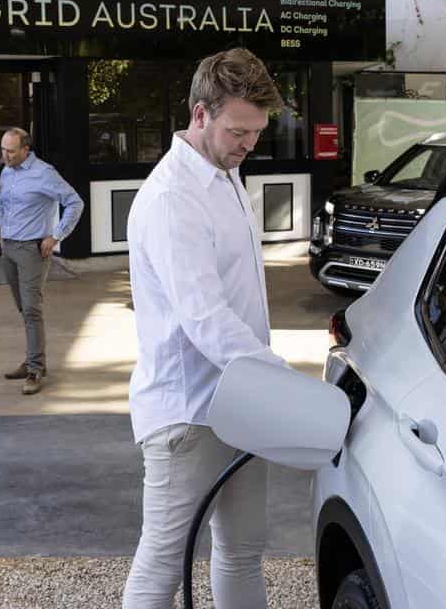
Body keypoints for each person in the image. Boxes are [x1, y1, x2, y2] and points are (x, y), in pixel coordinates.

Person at [122, 48, 287, 609]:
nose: (248, 144)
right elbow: (205, 318)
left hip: (239, 401)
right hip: (188, 412)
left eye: (257, 132)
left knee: (242, 550)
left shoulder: (225, 174)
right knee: (163, 566)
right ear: (199, 114)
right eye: (238, 130)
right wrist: (284, 383)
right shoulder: (173, 197)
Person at [0, 127, 84, 395]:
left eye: (11, 151)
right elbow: (4, 204)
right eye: (3, 150)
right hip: (8, 248)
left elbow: (74, 202)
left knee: (32, 309)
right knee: (24, 308)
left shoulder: (44, 173)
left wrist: (56, 236)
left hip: (32, 251)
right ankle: (32, 359)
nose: (5, 156)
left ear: (26, 149)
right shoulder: (6, 172)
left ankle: (36, 368)